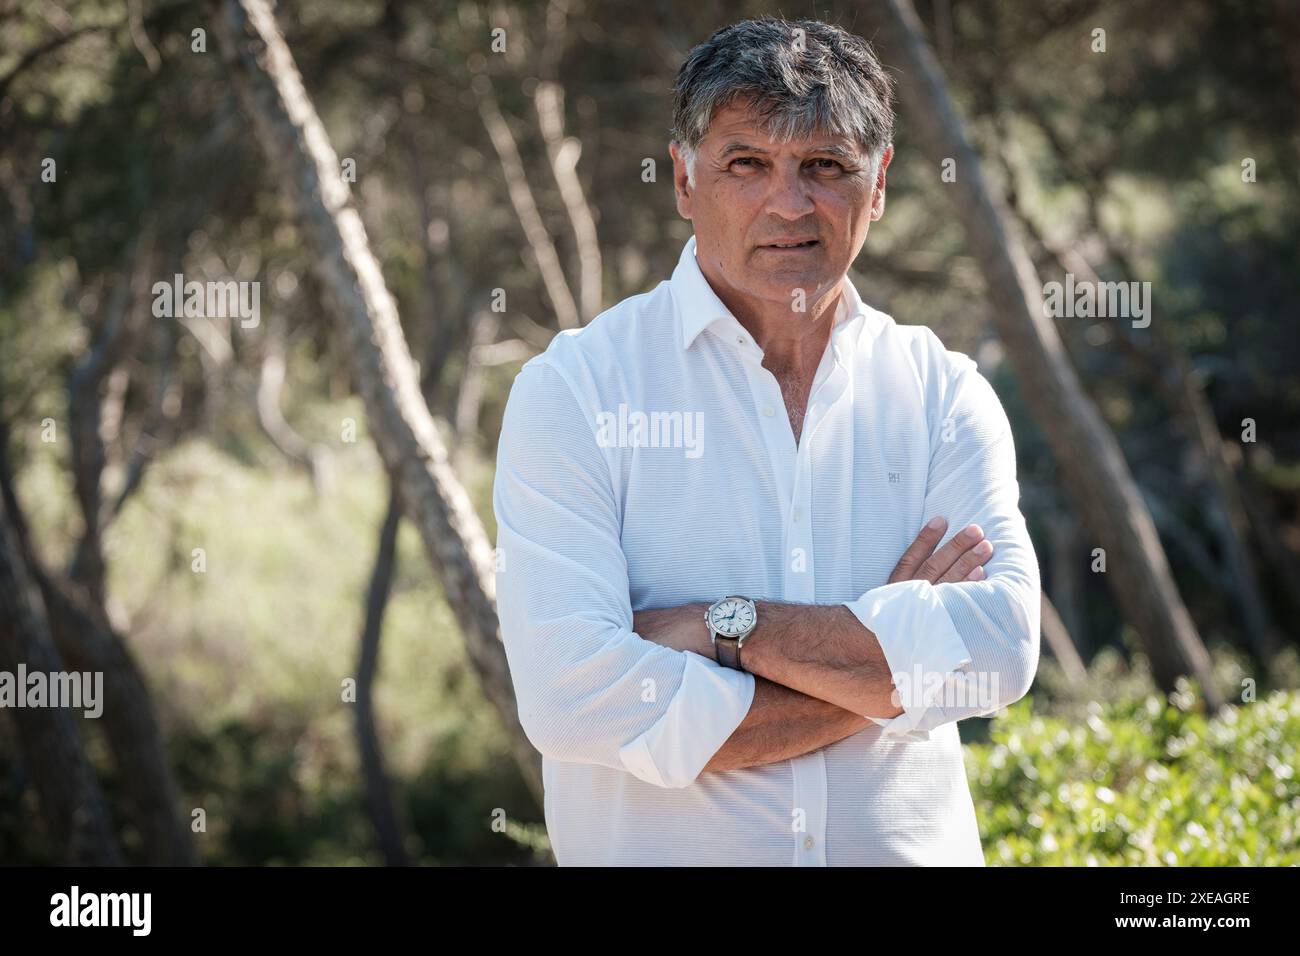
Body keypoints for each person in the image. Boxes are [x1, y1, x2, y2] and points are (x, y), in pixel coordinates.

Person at [493, 16, 1040, 865]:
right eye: (747, 164)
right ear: (682, 178)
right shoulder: (575, 391)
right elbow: (574, 698)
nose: (790, 202)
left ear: (880, 182)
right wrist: (891, 673)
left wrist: (720, 629)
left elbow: (1000, 649)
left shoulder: (942, 391)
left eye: (825, 166)